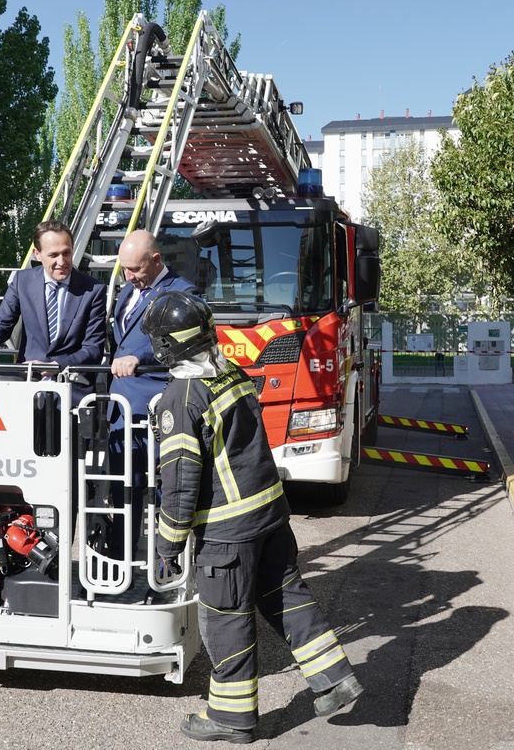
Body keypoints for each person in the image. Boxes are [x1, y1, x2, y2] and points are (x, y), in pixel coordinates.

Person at [141, 290, 362, 743]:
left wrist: (167, 545)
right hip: (270, 515)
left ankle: (232, 718)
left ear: (168, 346)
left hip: (227, 531)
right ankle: (336, 679)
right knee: (287, 599)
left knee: (226, 620)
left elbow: (181, 485)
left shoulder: (181, 397)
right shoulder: (233, 375)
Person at [105, 230, 198, 558]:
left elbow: (186, 344)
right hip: (121, 412)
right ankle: (121, 565)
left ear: (156, 260)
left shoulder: (182, 293)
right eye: (125, 269)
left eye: (136, 270)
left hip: (160, 411)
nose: (129, 277)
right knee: (122, 493)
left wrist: (140, 359)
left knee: (165, 496)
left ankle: (167, 568)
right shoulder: (126, 292)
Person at [0, 221, 107, 400]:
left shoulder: (93, 290)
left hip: (73, 390)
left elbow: (93, 349)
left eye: (66, 253)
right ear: (37, 254)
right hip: (27, 387)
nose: (62, 261)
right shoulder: (23, 281)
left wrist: (55, 365)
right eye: (53, 255)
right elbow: (1, 325)